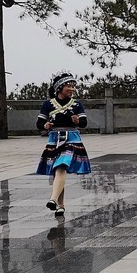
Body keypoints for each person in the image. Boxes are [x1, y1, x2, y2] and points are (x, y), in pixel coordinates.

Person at [36, 72, 90, 216]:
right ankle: (60, 205)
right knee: (57, 171)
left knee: (61, 165)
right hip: (54, 140)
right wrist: (45, 125)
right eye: (69, 86)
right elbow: (39, 123)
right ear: (59, 87)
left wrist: (78, 121)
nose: (72, 89)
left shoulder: (77, 104)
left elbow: (84, 123)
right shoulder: (48, 104)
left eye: (73, 86)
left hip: (71, 139)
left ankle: (53, 199)